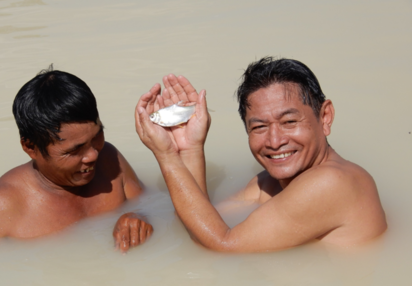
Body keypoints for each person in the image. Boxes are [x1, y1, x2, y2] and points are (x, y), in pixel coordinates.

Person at [134, 57, 386, 253]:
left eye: (289, 121)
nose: (275, 141)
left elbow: (222, 244)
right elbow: (202, 222)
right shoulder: (267, 184)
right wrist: (189, 148)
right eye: (259, 127)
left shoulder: (332, 183)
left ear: (325, 117)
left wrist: (166, 156)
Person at [0, 67, 153, 251]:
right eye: (75, 150)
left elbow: (152, 205)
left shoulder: (110, 160)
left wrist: (139, 217)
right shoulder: (1, 206)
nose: (93, 155)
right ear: (30, 147)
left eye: (97, 136)